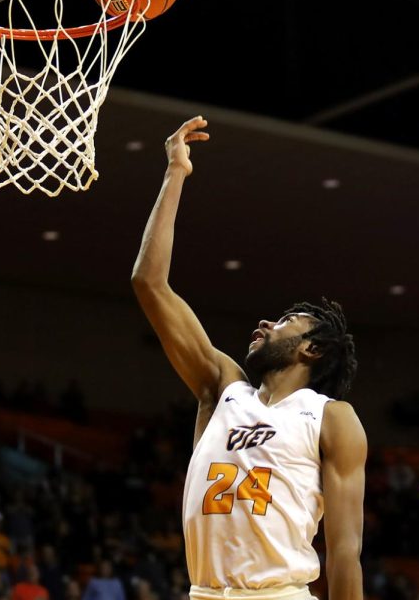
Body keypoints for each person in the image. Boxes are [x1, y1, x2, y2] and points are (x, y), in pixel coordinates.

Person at [130, 117, 367, 600]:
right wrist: (176, 172)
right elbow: (149, 283)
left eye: (286, 321)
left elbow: (344, 551)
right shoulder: (222, 387)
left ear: (312, 349)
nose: (265, 323)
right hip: (203, 592)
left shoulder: (332, 419)